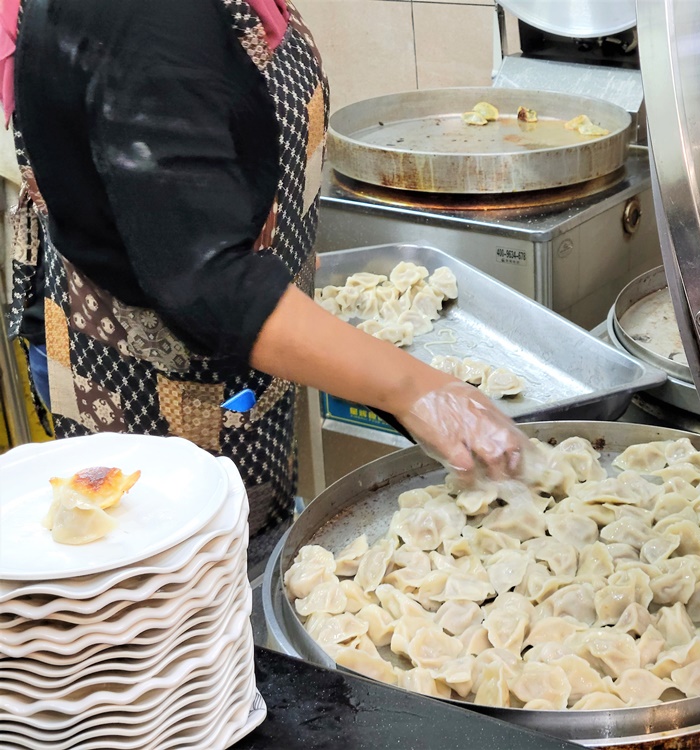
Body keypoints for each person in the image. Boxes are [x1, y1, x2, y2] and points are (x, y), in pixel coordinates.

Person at [1, 0, 526, 567]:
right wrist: (415, 389)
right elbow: (204, 279)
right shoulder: (139, 13)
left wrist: (294, 247)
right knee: (189, 608)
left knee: (260, 557)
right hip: (149, 390)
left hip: (243, 361)